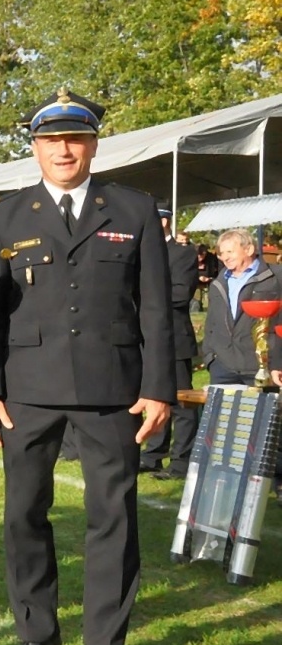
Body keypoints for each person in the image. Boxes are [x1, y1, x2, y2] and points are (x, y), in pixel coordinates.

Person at [0, 89, 173, 645]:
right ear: (35, 147)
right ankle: (35, 639)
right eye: (52, 139)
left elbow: (156, 309)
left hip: (112, 390)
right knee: (22, 516)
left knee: (113, 520)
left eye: (76, 138)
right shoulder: (5, 216)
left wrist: (158, 387)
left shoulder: (134, 209)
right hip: (27, 393)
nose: (65, 149)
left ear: (94, 144)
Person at [138, 205, 201, 479]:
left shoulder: (183, 253)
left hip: (173, 338)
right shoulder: (141, 251)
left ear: (163, 221)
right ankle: (153, 456)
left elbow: (181, 294)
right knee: (154, 395)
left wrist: (142, 299)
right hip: (143, 337)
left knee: (182, 403)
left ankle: (181, 462)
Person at [201, 228, 282, 386]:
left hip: (263, 367)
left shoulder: (275, 278)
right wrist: (211, 358)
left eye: (230, 251)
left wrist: (277, 362)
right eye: (221, 253)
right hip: (223, 367)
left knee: (262, 411)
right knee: (222, 411)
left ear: (249, 249)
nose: (225, 257)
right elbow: (211, 322)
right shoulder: (218, 283)